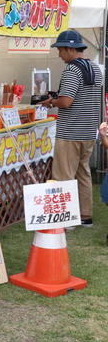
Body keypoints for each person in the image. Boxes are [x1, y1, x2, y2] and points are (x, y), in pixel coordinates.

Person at [40, 30, 103, 228]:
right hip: (88, 131)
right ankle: (85, 216)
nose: (59, 55)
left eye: (60, 50)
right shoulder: (96, 68)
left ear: (69, 48)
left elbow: (66, 101)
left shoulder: (72, 70)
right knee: (83, 173)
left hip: (70, 131)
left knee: (63, 176)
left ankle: (65, 219)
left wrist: (51, 102)